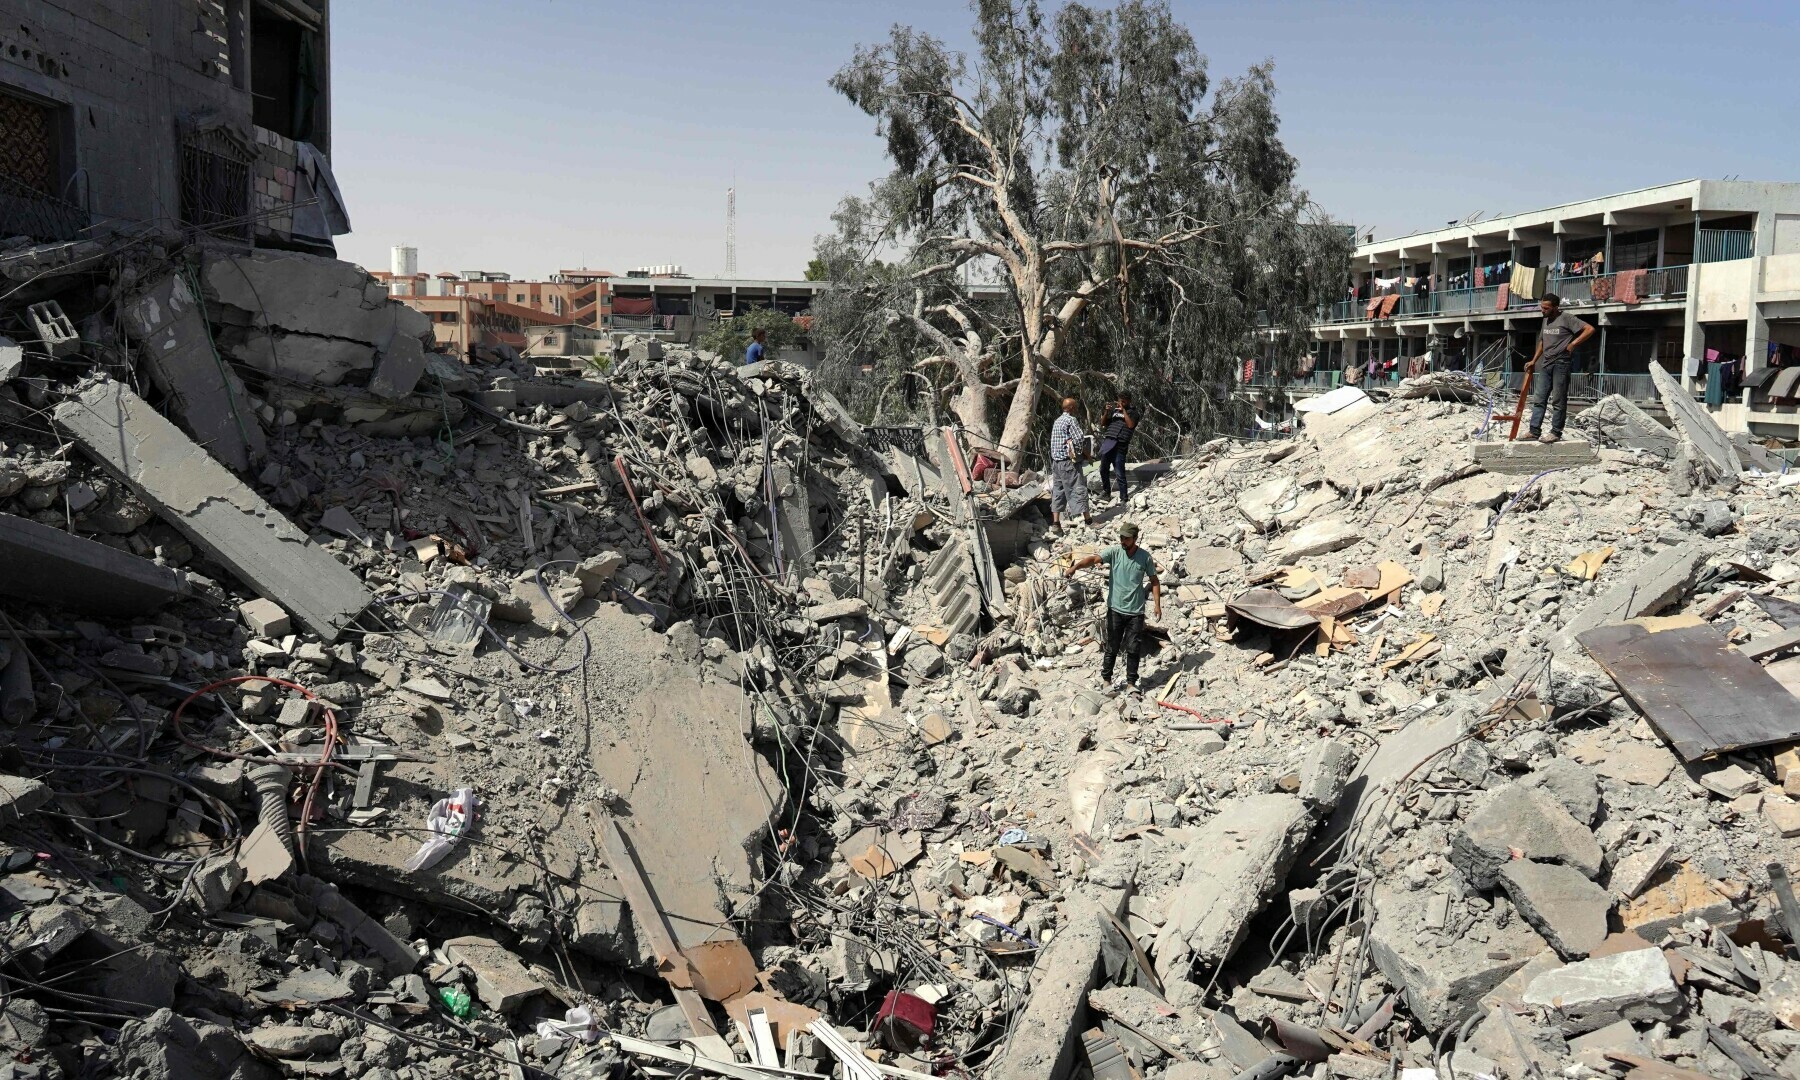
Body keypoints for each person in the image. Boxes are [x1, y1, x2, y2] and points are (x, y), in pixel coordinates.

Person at [1064, 521, 1160, 692]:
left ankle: (1131, 684)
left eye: (1126, 538)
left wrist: (1157, 606)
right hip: (1115, 609)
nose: (1123, 541)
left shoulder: (1145, 557)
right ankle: (1106, 680)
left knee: (1133, 648)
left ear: (1135, 538)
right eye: (1121, 537)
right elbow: (1094, 559)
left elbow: (1154, 581)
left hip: (1136, 611)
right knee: (1112, 646)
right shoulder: (1115, 552)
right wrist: (1076, 567)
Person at [1526, 293, 1595, 443]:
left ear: (1556, 307)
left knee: (1558, 400)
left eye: (1546, 308)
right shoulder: (1545, 320)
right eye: (1542, 307)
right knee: (1539, 399)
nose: (1542, 310)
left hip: (1561, 363)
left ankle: (1555, 432)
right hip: (1546, 364)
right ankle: (1534, 431)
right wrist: (1534, 360)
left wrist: (1573, 344)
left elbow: (1589, 329)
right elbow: (1542, 342)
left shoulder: (1567, 318)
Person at [1048, 396, 1089, 531]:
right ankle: (1088, 521)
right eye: (1075, 406)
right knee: (1078, 489)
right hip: (1068, 463)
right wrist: (1086, 455)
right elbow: (1079, 439)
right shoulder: (1071, 420)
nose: (1076, 408)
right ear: (1071, 408)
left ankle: (1056, 524)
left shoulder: (1057, 421)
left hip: (1056, 463)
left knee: (1058, 491)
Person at [1097, 391, 1138, 504]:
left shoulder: (1133, 413)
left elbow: (1130, 425)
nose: (1121, 403)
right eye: (1120, 400)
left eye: (1123, 401)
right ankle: (1106, 492)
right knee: (1103, 469)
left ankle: (1124, 497)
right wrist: (1106, 411)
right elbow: (1103, 423)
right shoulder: (1114, 411)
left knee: (1119, 472)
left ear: (1128, 401)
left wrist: (1123, 410)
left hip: (1120, 444)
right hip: (1109, 442)